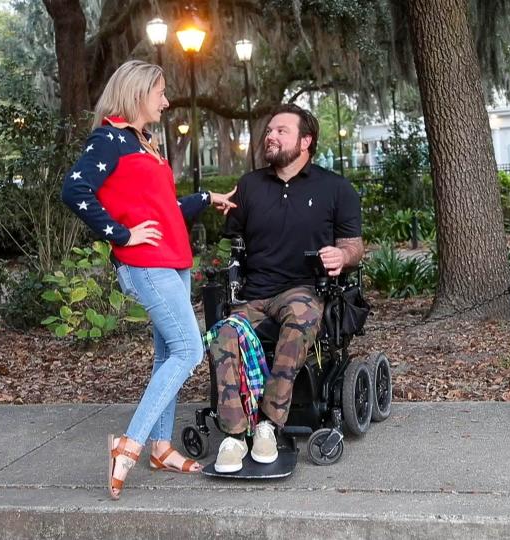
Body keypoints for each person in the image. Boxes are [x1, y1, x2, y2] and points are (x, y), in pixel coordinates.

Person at [60, 60, 236, 500]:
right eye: (160, 92)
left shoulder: (144, 141)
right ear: (138, 93)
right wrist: (121, 234)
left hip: (173, 261)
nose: (166, 100)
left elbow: (163, 207)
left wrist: (206, 198)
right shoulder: (110, 139)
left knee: (166, 355)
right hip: (146, 264)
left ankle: (160, 448)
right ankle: (131, 443)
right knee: (189, 350)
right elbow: (73, 191)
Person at [208, 104, 364, 473]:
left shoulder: (335, 188)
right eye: (269, 131)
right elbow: (232, 241)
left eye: (281, 131)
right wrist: (226, 213)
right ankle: (233, 434)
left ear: (305, 141)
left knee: (299, 320)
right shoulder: (250, 186)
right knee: (224, 334)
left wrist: (341, 255)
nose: (270, 136)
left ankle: (268, 424)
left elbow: (355, 246)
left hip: (302, 289)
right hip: (255, 292)